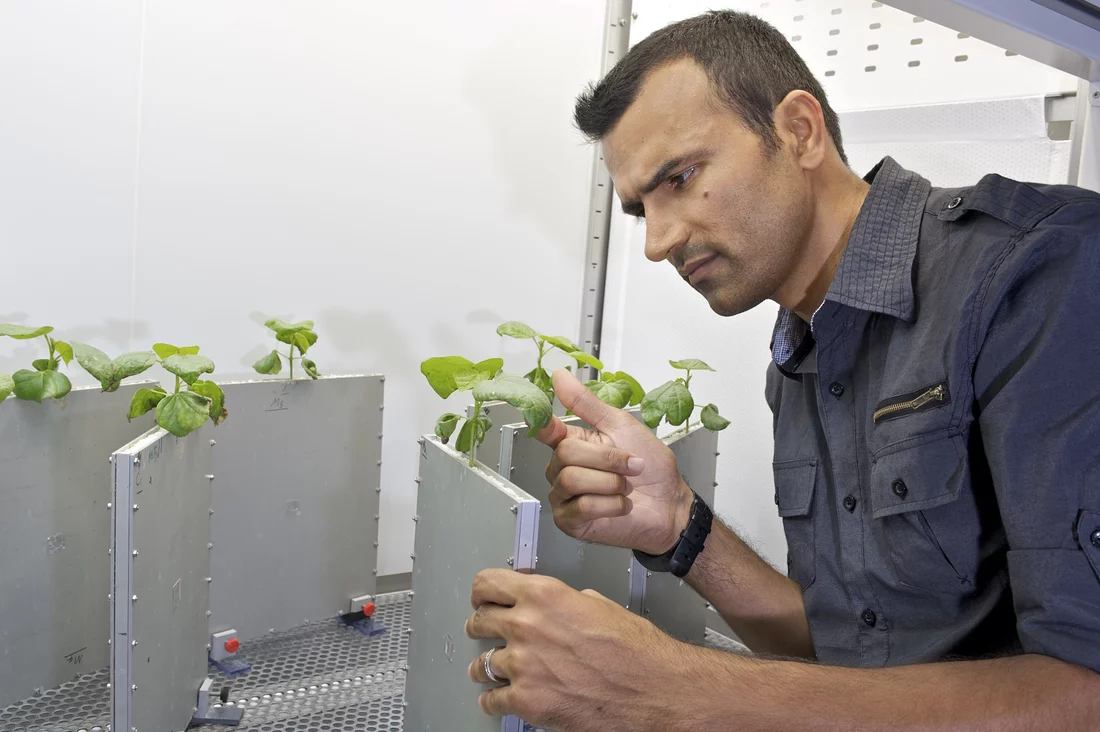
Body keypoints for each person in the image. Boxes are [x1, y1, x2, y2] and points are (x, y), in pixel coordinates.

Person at [462, 10, 1100, 730]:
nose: (659, 241)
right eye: (643, 210)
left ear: (799, 130)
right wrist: (679, 526)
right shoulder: (798, 353)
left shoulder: (1041, 272)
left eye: (681, 176)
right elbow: (851, 657)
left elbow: (1085, 692)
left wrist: (668, 687)